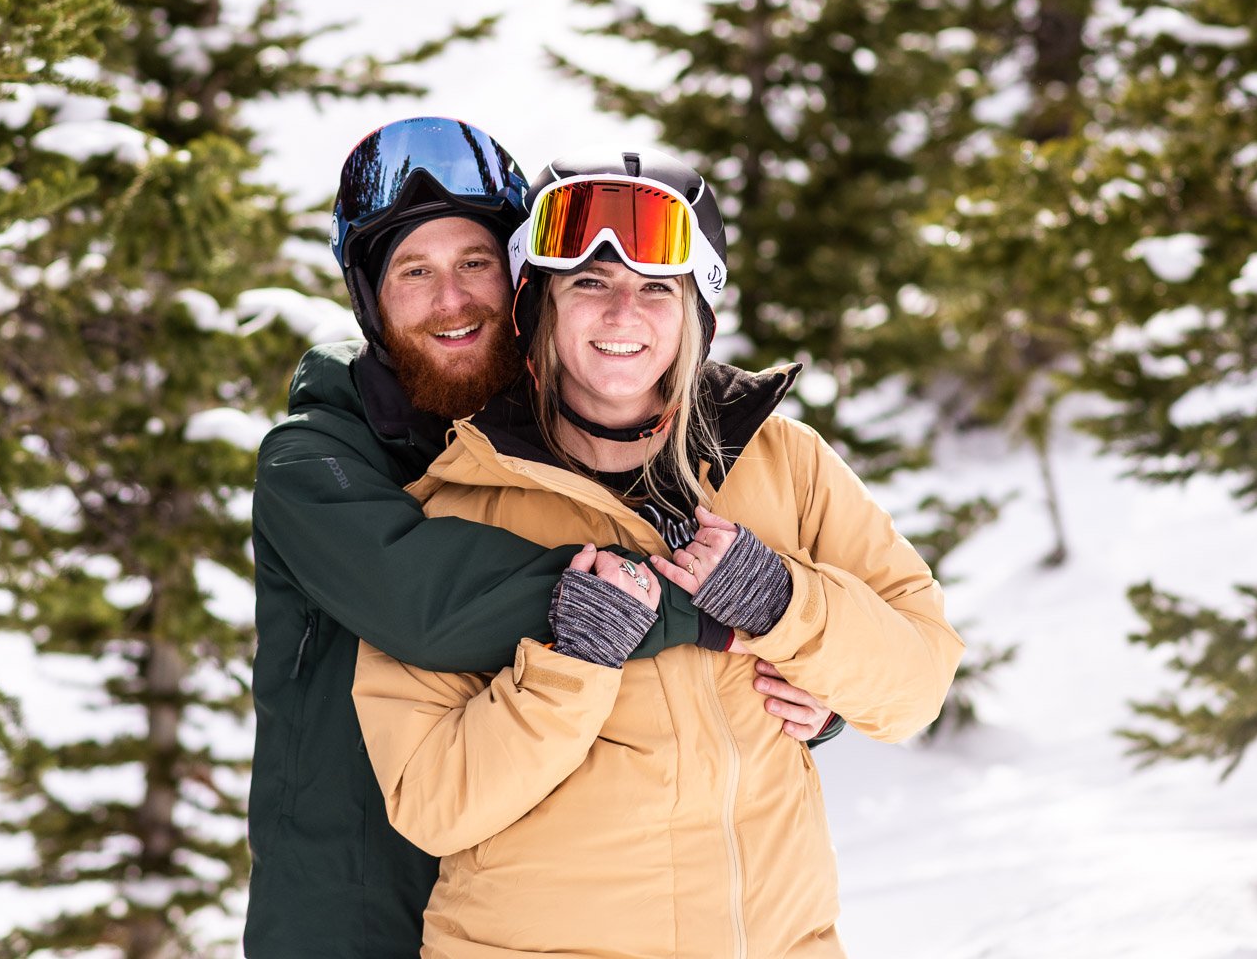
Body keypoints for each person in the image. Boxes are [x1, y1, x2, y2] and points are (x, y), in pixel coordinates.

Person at [245, 119, 839, 957]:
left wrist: (809, 676)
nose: (451, 300)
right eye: (414, 271)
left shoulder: (560, 440)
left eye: (475, 264)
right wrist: (722, 614)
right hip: (354, 909)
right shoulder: (316, 460)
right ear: (368, 297)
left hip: (513, 913)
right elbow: (426, 601)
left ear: (526, 280)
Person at [352, 148, 965, 958]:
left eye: (655, 289)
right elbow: (430, 802)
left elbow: (919, 681)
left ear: (694, 315)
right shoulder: (456, 508)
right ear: (540, 306)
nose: (622, 316)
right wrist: (573, 665)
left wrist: (785, 604)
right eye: (589, 286)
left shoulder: (783, 462)